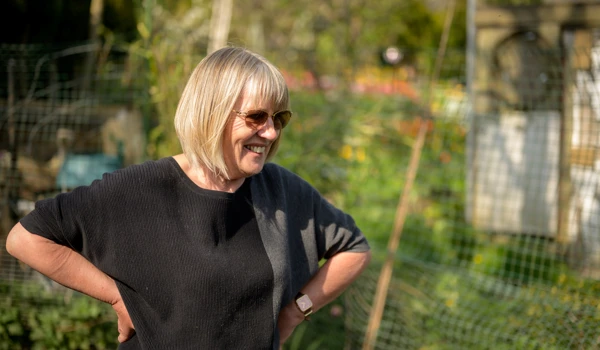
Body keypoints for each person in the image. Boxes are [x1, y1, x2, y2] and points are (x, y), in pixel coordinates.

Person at [6, 46, 371, 349]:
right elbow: (26, 238)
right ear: (211, 112)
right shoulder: (140, 189)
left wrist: (296, 310)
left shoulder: (281, 190)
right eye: (257, 116)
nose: (272, 131)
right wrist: (116, 297)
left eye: (279, 117)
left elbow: (354, 248)